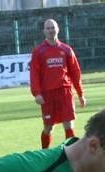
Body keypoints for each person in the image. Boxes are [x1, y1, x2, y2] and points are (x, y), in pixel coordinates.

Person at [30, 18, 86, 149]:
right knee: (48, 128)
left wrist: (80, 94)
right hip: (48, 95)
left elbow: (75, 73)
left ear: (58, 29)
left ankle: (71, 155)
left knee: (69, 125)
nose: (51, 30)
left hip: (65, 92)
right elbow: (34, 74)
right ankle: (45, 153)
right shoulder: (39, 51)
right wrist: (37, 93)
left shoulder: (66, 50)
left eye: (53, 27)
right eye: (48, 28)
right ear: (44, 31)